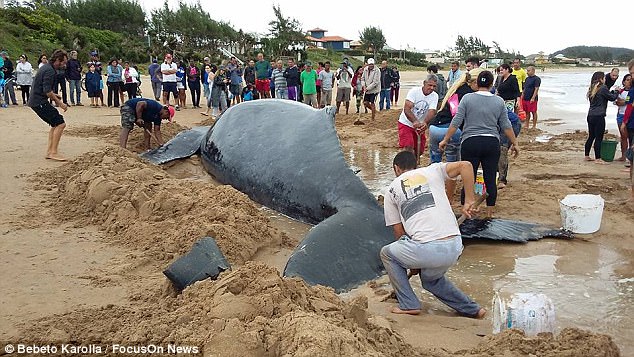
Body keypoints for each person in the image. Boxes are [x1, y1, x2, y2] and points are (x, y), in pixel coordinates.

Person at [380, 150, 486, 318]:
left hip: (428, 248)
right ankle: (473, 309)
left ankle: (408, 304)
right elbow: (465, 165)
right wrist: (469, 200)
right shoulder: (432, 170)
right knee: (431, 281)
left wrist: (412, 263)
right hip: (455, 246)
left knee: (387, 254)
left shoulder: (391, 190)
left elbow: (399, 233)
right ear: (416, 165)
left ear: (396, 169)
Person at [439, 70, 520, 217]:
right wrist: (515, 143)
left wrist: (445, 139)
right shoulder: (498, 101)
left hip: (470, 142)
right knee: (490, 178)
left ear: (477, 83)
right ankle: (489, 214)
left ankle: (466, 211)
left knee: (469, 178)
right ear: (491, 84)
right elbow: (506, 125)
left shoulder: (467, 98)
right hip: (491, 143)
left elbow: (456, 121)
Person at [428, 68, 482, 200]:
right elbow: (459, 118)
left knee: (435, 165)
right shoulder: (470, 95)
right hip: (451, 131)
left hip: (434, 128)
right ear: (474, 83)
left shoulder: (455, 89)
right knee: (452, 166)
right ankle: (449, 199)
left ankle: (435, 195)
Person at [28, 49, 69, 161]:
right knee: (60, 124)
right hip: (39, 102)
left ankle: (50, 151)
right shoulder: (50, 71)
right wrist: (60, 103)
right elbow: (47, 91)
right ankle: (53, 152)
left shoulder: (46, 67)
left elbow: (44, 88)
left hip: (36, 101)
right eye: (63, 62)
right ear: (57, 60)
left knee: (55, 124)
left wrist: (54, 95)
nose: (64, 65)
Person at [398, 74, 439, 158]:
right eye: (430, 85)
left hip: (420, 125)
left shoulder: (435, 96)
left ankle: (414, 166)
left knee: (419, 150)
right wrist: (414, 121)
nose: (431, 88)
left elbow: (432, 111)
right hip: (406, 123)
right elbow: (407, 109)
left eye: (434, 86)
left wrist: (425, 122)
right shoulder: (414, 91)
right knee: (408, 147)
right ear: (424, 83)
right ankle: (405, 167)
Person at [585, 71, 620, 163]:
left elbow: (606, 95)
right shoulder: (603, 87)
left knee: (591, 136)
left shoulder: (592, 88)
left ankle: (586, 155)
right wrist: (617, 91)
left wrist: (612, 92)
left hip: (590, 115)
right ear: (601, 79)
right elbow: (612, 97)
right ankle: (598, 158)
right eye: (604, 78)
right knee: (599, 137)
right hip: (599, 116)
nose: (605, 79)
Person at [615, 74, 632, 161]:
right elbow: (617, 102)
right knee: (623, 136)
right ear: (624, 81)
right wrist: (624, 102)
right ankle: (623, 156)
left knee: (631, 137)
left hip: (630, 116)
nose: (629, 81)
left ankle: (630, 157)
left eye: (630, 79)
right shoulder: (621, 91)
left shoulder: (632, 91)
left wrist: (624, 102)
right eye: (627, 80)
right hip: (620, 115)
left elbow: (627, 103)